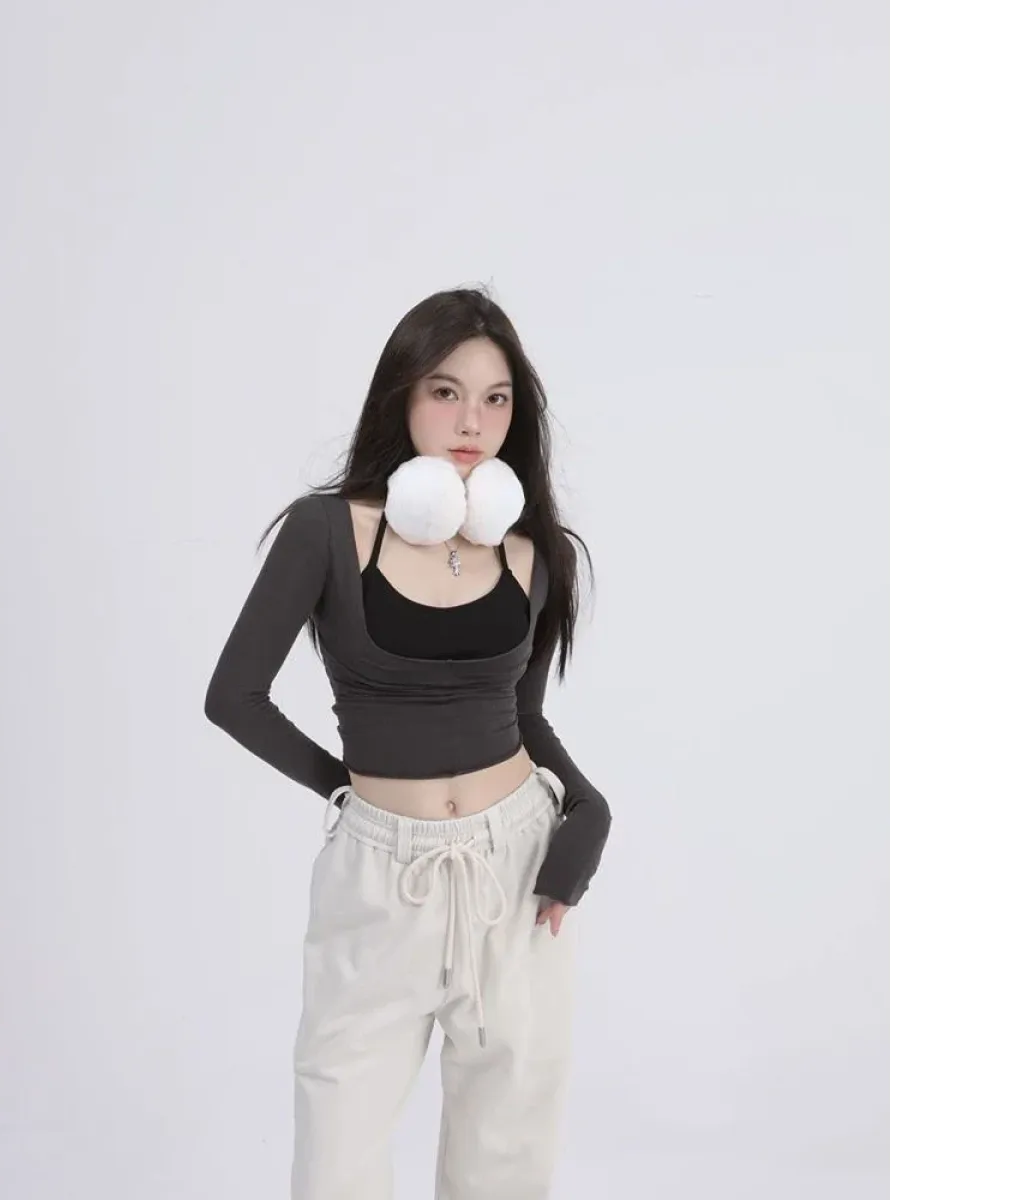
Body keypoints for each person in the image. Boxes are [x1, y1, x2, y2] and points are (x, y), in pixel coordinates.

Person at [204, 286, 611, 1200]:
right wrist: (351, 793)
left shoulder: (535, 550)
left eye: (496, 399)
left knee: (506, 1151)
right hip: (380, 873)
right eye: (446, 391)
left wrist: (588, 807)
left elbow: (524, 716)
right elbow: (233, 698)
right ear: (402, 394)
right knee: (338, 1143)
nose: (472, 421)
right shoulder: (324, 531)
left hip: (517, 865)